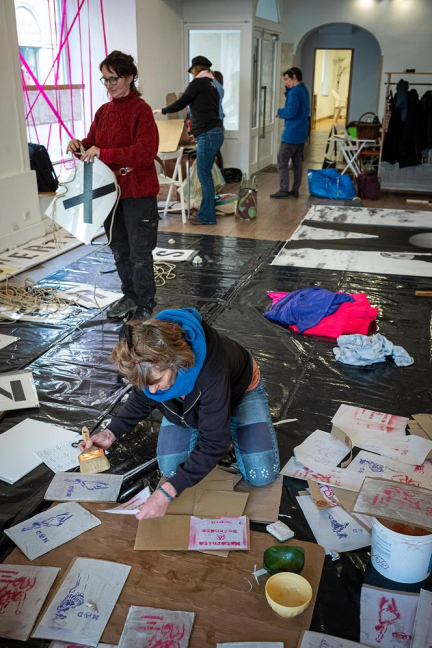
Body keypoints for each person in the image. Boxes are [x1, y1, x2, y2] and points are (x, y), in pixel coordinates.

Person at [78, 307, 280, 520]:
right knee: (170, 469)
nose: (152, 391)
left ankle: (227, 420)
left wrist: (167, 493)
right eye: (147, 385)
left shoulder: (211, 371)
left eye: (156, 382)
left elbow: (214, 443)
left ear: (175, 362)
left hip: (240, 391)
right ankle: (213, 419)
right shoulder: (144, 356)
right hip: (190, 401)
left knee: (261, 475)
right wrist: (111, 433)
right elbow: (142, 397)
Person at [67, 50, 159, 322]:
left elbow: (144, 153)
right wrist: (79, 146)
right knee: (120, 250)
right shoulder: (104, 111)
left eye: (113, 78)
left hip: (137, 193)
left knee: (140, 254)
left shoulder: (141, 110)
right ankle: (129, 296)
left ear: (130, 77)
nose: (108, 85)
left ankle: (144, 303)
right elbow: (93, 142)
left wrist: (103, 153)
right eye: (104, 79)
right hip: (111, 194)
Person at [153, 56, 223, 226]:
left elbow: (181, 103)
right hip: (214, 132)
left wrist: (161, 110)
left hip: (208, 134)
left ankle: (207, 217)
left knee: (204, 176)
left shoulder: (198, 83)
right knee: (206, 175)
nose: (191, 74)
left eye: (192, 71)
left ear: (197, 68)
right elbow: (207, 110)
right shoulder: (213, 84)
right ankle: (207, 213)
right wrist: (196, 132)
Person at [271, 67, 310, 200]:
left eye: (287, 79)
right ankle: (295, 190)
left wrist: (278, 112)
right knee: (297, 163)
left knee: (282, 162)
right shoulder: (304, 90)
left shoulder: (294, 93)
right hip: (301, 133)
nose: (285, 83)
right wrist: (289, 89)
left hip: (291, 133)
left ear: (294, 77)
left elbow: (290, 112)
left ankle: (283, 190)